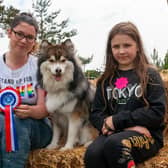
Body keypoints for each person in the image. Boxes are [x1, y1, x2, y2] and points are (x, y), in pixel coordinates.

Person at [84, 21, 166, 168]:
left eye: (127, 45)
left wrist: (117, 120)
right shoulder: (105, 80)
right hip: (114, 132)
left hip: (148, 135)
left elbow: (157, 112)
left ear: (138, 47)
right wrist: (121, 127)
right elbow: (96, 113)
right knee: (92, 153)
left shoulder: (150, 75)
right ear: (110, 50)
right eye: (116, 46)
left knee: (116, 145)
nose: (121, 51)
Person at [0, 12, 52, 168]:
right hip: (2, 122)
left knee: (16, 123)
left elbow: (44, 109)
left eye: (30, 37)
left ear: (34, 41)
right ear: (9, 33)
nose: (24, 40)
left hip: (37, 127)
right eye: (19, 34)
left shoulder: (40, 67)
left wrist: (31, 111)